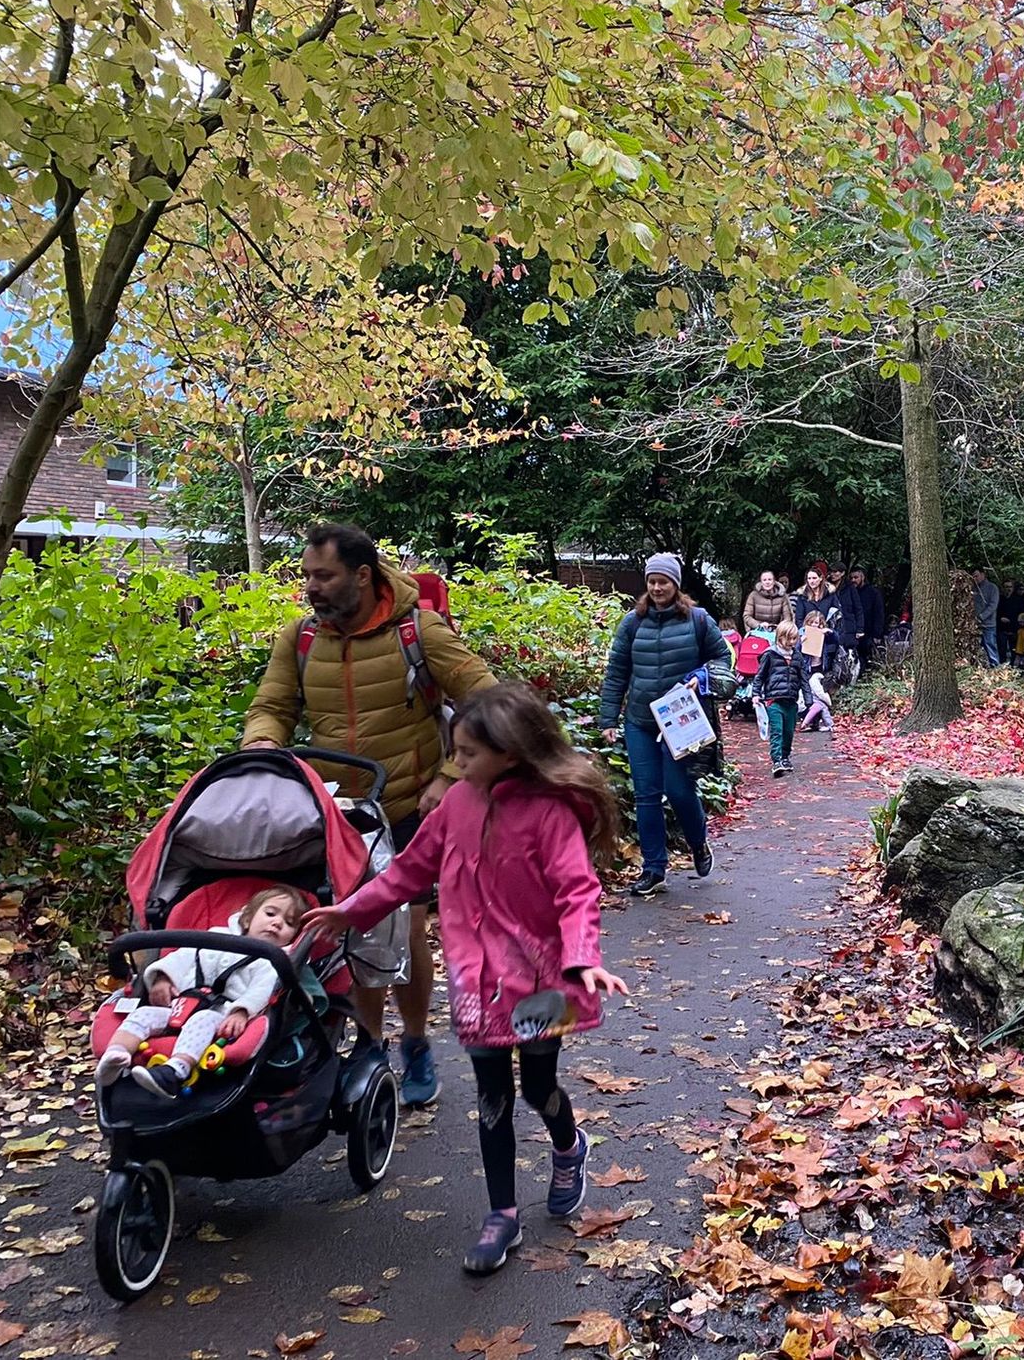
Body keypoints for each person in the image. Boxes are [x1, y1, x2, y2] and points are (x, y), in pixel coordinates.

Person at [303, 684, 628, 1276]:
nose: (458, 766)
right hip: (475, 983)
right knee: (491, 1097)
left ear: (510, 753)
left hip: (542, 983)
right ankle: (501, 1213)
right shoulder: (455, 806)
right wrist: (351, 911)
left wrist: (584, 956)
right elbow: (407, 872)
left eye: (469, 755)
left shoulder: (549, 812)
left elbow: (578, 891)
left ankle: (567, 1146)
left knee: (536, 1087)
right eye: (455, 753)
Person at [245, 523, 496, 1109]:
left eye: (324, 575)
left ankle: (414, 1044)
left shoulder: (418, 629)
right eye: (307, 575)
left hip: (409, 806)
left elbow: (487, 699)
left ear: (362, 575)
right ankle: (369, 1045)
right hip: (334, 811)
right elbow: (274, 706)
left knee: (402, 927)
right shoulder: (301, 638)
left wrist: (452, 775)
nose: (312, 587)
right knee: (343, 927)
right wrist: (261, 747)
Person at [599, 554, 731, 897]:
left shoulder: (698, 620)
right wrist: (608, 718)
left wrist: (700, 678)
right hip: (640, 720)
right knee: (646, 795)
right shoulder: (632, 623)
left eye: (664, 581)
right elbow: (617, 672)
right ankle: (653, 868)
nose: (657, 588)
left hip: (680, 722)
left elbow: (723, 658)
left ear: (676, 584)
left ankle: (699, 843)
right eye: (652, 581)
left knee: (678, 790)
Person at [96, 883, 307, 1096]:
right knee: (143, 1014)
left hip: (220, 1015)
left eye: (289, 923)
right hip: (179, 1005)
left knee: (202, 1019)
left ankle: (175, 1071)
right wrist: (162, 978)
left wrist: (241, 1011)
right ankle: (116, 1056)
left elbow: (262, 990)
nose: (277, 923)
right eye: (270, 913)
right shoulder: (215, 936)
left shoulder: (273, 961)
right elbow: (183, 957)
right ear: (247, 917)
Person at [755, 622, 805, 778]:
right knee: (777, 731)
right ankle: (776, 760)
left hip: (791, 700)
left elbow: (803, 678)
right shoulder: (770, 654)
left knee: (788, 732)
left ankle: (785, 757)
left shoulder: (797, 656)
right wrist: (756, 694)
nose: (792, 642)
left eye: (794, 639)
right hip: (774, 700)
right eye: (789, 639)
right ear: (780, 637)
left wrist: (809, 700)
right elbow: (760, 676)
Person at [796, 610, 840, 732]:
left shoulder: (824, 635)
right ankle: (810, 721)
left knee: (819, 696)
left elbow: (836, 642)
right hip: (807, 669)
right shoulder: (801, 633)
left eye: (818, 623)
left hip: (820, 668)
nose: (815, 625)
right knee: (808, 696)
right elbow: (795, 653)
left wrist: (830, 633)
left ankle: (816, 721)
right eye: (812, 622)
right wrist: (800, 642)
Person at [846, 567, 885, 670]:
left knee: (866, 659)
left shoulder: (873, 593)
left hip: (868, 632)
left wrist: (877, 633)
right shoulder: (849, 592)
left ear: (862, 577)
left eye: (856, 577)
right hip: (852, 631)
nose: (853, 580)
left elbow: (879, 614)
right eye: (851, 578)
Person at [971, 568, 1001, 668]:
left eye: (977, 576)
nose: (975, 578)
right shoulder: (972, 588)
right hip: (974, 624)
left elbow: (993, 606)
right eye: (973, 576)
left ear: (983, 575)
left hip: (988, 624)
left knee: (990, 646)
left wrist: (981, 617)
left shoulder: (992, 588)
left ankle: (995, 667)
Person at [997, 579, 1024, 666]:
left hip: (1014, 629)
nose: (1008, 589)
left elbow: (1022, 615)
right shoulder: (999, 599)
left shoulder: (1018, 600)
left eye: (1010, 587)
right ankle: (1002, 666)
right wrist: (1000, 619)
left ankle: (1014, 667)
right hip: (1001, 629)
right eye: (1006, 587)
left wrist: (1012, 621)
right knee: (1002, 649)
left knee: (1014, 650)